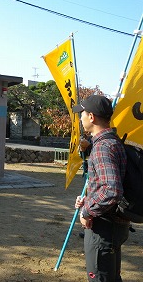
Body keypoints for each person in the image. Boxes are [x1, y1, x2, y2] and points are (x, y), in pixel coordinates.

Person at [73, 95, 129, 282]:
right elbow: (108, 184)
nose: (80, 118)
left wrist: (87, 211)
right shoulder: (115, 142)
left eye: (82, 114)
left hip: (103, 227)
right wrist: (87, 199)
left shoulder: (102, 147)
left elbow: (112, 189)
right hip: (115, 224)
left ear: (91, 117)